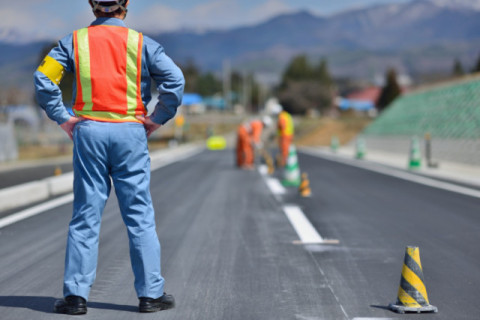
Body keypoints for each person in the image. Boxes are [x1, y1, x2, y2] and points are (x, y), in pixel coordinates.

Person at [34, 0, 185, 315]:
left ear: (91, 4)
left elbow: (44, 79)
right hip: (130, 131)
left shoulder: (73, 42)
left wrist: (63, 117)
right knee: (139, 215)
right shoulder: (142, 43)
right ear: (126, 4)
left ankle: (76, 297)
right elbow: (175, 82)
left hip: (89, 131)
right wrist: (157, 118)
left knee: (86, 215)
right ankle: (150, 295)